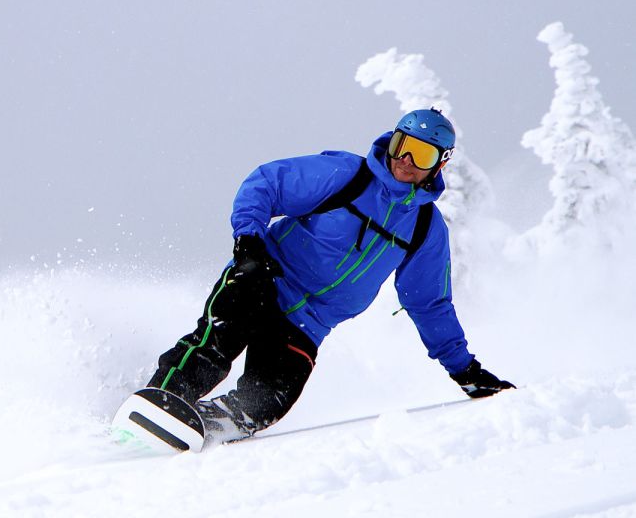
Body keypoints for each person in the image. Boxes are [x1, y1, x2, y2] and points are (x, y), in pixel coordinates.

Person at [146, 108, 515, 441]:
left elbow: (429, 303)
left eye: (422, 154)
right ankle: (159, 403)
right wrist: (249, 243)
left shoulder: (424, 228)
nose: (405, 159)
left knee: (267, 400)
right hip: (265, 279)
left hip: (309, 323)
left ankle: (199, 429)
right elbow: (267, 183)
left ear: (440, 163)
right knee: (214, 346)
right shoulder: (347, 176)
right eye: (402, 145)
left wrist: (464, 369)